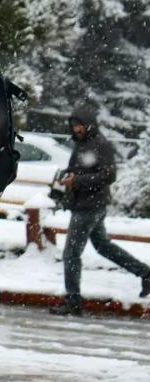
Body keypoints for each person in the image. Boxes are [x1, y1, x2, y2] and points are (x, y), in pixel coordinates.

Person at [48, 101, 150, 315]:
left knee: (71, 253)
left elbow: (108, 175)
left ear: (89, 124)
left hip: (89, 206)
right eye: (74, 125)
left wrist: (77, 181)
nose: (76, 129)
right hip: (87, 204)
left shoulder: (99, 144)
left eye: (80, 125)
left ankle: (73, 301)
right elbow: (78, 169)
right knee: (103, 246)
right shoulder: (82, 143)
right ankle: (145, 273)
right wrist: (64, 177)